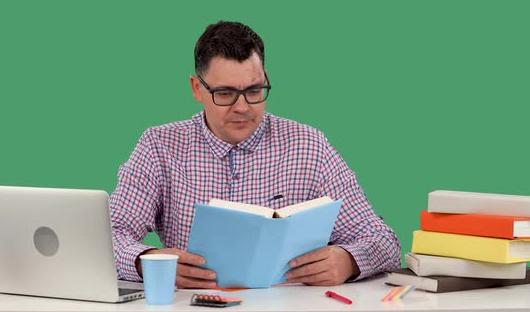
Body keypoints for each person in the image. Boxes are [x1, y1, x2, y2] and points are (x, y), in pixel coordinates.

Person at [109, 20, 401, 289]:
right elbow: (109, 234)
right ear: (197, 88)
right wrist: (146, 262)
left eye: (254, 90)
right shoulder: (159, 145)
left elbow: (383, 240)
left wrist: (348, 260)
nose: (242, 107)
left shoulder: (309, 145)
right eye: (225, 94)